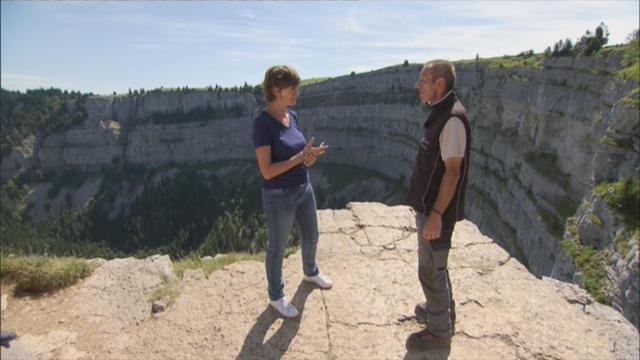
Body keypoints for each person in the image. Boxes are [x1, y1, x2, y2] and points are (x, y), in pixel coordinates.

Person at [252, 65, 333, 318]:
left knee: (312, 235)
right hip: (279, 195)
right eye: (293, 87)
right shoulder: (262, 124)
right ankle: (276, 297)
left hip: (302, 186)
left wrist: (308, 158)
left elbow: (297, 155)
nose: (298, 91)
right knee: (277, 247)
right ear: (276, 90)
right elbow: (267, 170)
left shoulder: (292, 116)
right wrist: (299, 157)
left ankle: (310, 272)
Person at [405, 60, 471, 350]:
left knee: (431, 271)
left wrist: (435, 215)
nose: (418, 85)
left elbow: (453, 171)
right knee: (437, 267)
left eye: (424, 79)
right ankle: (442, 312)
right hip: (429, 208)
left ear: (440, 84)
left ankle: (439, 331)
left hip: (436, 212)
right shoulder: (440, 112)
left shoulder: (452, 119)